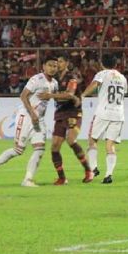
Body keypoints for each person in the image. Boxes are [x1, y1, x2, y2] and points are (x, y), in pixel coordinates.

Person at [0, 56, 59, 187]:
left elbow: (55, 98)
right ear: (43, 66)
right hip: (25, 117)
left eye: (55, 66)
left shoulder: (54, 84)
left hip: (39, 120)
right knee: (18, 150)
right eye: (50, 65)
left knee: (40, 149)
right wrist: (32, 114)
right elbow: (23, 96)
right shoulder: (36, 79)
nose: (53, 68)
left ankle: (28, 179)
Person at [81, 54, 127, 184]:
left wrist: (83, 95)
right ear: (116, 64)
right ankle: (108, 175)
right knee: (109, 145)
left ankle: (94, 168)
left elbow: (95, 84)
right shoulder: (122, 78)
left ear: (102, 64)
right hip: (118, 113)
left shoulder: (102, 74)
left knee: (92, 140)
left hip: (103, 112)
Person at [49, 54, 93, 185]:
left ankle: (88, 171)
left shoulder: (72, 78)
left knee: (71, 140)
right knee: (55, 147)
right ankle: (62, 177)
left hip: (73, 113)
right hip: (60, 113)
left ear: (67, 63)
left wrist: (52, 95)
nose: (58, 65)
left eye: (61, 62)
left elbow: (69, 95)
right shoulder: (54, 79)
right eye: (57, 62)